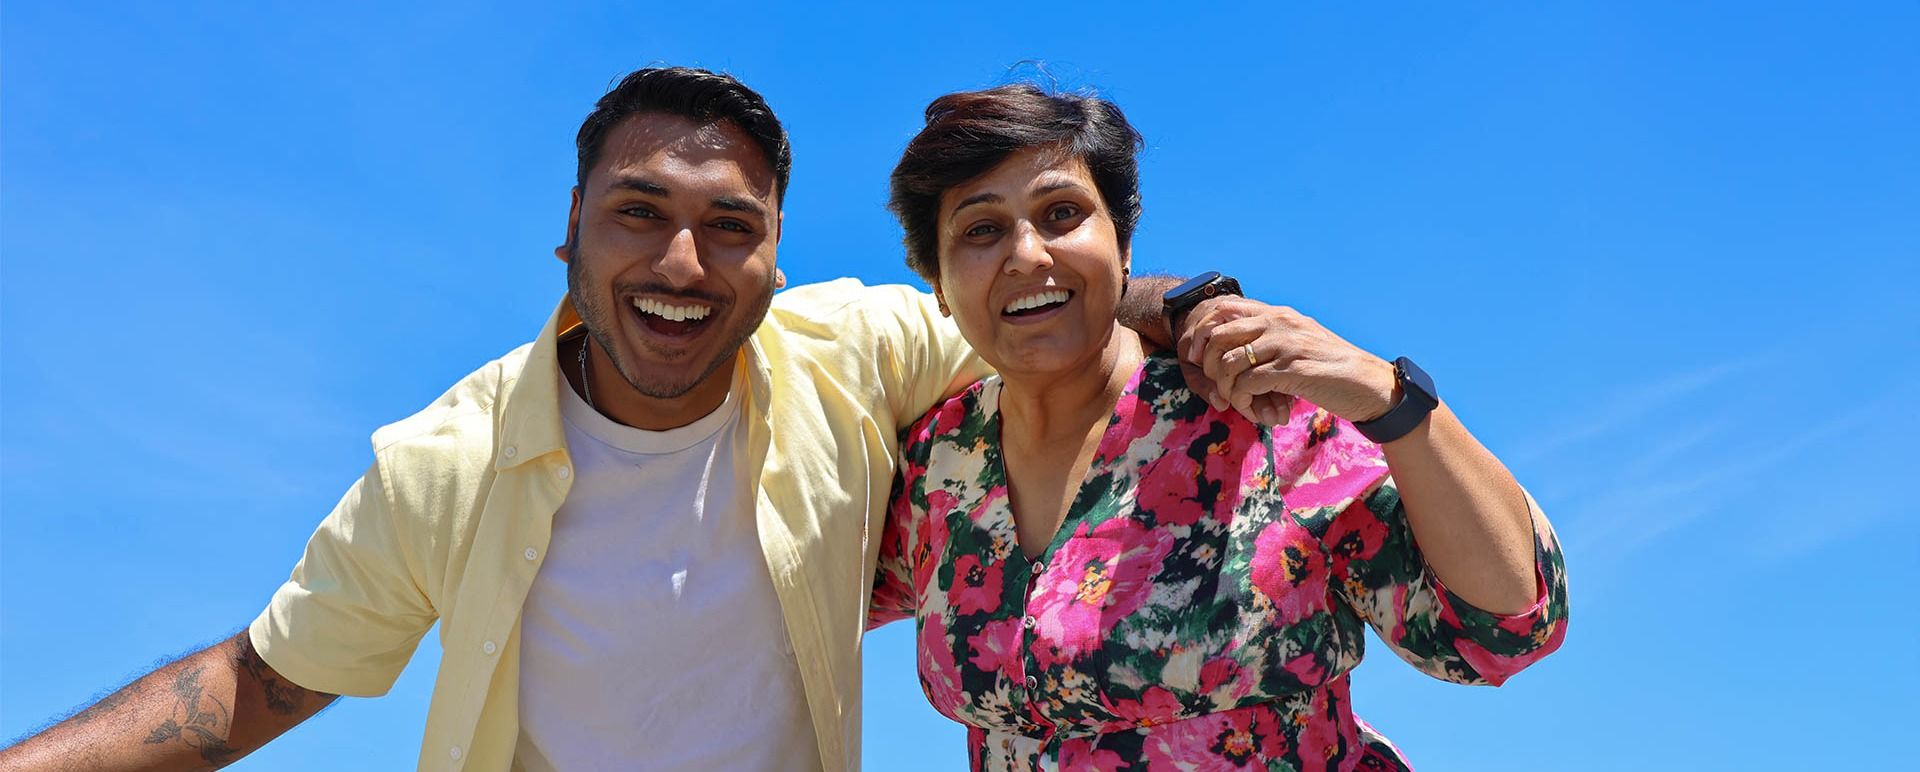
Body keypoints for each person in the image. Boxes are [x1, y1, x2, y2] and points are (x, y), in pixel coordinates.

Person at [0, 68, 1225, 771]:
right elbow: (256, 681)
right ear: (569, 239)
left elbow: (1037, 306)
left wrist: (1196, 309)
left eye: (730, 227)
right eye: (639, 212)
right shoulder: (449, 463)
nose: (682, 263)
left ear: (775, 263)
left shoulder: (850, 354)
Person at [867, 84, 1570, 771]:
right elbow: (816, 591)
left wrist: (1390, 399)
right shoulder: (939, 464)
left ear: (1123, 245)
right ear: (939, 285)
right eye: (981, 230)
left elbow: (1506, 627)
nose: (1027, 254)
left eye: (1062, 213)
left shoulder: (1258, 415)